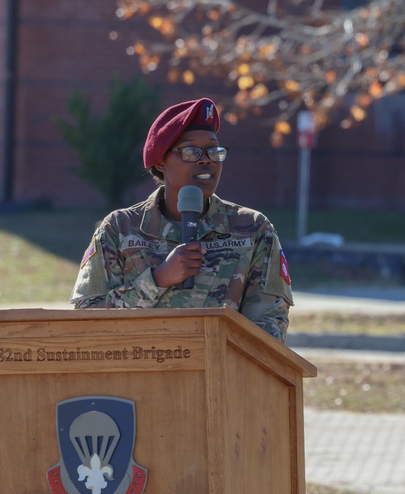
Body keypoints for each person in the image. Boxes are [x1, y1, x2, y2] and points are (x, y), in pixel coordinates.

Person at [70, 97, 293, 341]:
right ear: (161, 161)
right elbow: (87, 321)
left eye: (213, 150)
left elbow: (270, 325)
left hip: (220, 375)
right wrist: (158, 279)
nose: (206, 159)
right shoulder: (120, 228)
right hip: (139, 374)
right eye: (191, 151)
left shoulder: (252, 228)